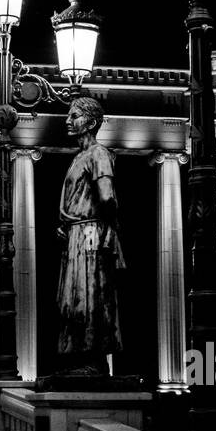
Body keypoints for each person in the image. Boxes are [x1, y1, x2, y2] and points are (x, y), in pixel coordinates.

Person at [56, 96, 124, 375]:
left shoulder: (98, 154)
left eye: (75, 116)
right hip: (79, 232)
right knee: (74, 297)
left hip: (90, 234)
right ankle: (81, 358)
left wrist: (89, 224)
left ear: (91, 123)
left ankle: (93, 361)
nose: (68, 121)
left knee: (89, 294)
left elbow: (107, 198)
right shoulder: (80, 157)